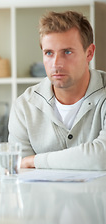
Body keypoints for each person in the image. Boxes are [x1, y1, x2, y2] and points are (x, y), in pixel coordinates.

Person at [8, 10, 106, 170]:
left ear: (89, 53)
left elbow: (102, 157)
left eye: (67, 52)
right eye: (48, 53)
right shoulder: (24, 106)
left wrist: (35, 161)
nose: (56, 64)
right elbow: (22, 172)